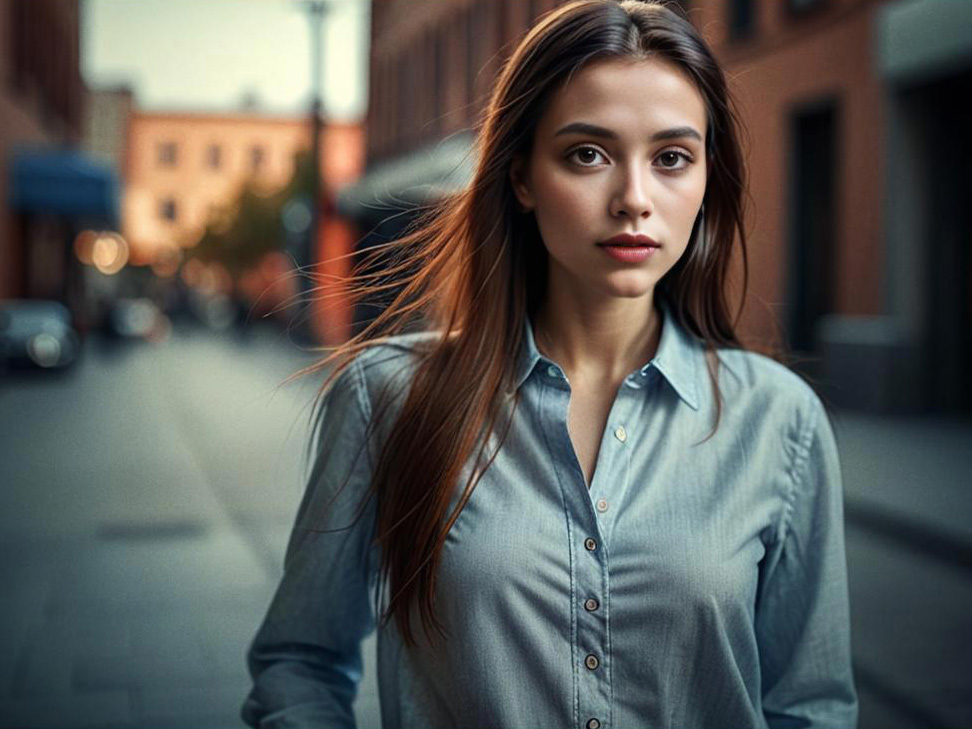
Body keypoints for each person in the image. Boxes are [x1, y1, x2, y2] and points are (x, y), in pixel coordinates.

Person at [242, 1, 859, 727]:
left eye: (671, 158)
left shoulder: (779, 421)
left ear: (704, 180)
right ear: (523, 176)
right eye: (587, 154)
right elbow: (301, 662)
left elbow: (809, 706)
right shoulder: (388, 398)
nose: (634, 199)